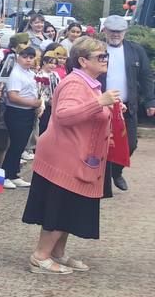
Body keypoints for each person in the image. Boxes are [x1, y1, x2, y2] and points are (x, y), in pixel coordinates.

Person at [22, 37, 121, 274]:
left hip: (77, 157)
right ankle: (40, 256)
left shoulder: (89, 84)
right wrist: (99, 103)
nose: (105, 60)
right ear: (83, 61)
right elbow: (64, 115)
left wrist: (107, 108)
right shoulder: (75, 84)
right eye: (100, 56)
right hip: (64, 158)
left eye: (106, 56)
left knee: (70, 207)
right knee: (61, 208)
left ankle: (57, 253)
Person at [99, 14, 155, 192]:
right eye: (112, 31)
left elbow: (146, 76)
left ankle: (116, 171)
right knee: (101, 144)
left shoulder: (135, 50)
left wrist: (150, 101)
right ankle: (102, 179)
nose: (116, 34)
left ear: (125, 32)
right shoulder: (97, 49)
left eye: (120, 31)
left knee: (130, 144)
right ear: (105, 31)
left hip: (127, 106)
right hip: (101, 104)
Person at [1, 47, 42, 188]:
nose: (28, 60)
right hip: (17, 112)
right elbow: (13, 96)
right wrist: (32, 103)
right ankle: (6, 175)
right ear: (18, 57)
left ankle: (13, 174)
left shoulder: (30, 73)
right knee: (15, 144)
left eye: (31, 57)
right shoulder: (15, 73)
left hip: (28, 112)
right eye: (25, 57)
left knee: (21, 145)